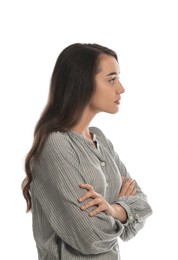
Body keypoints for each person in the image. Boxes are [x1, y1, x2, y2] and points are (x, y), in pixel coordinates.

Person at [22, 43, 152, 260]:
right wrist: (123, 214)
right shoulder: (55, 144)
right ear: (82, 84)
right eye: (111, 79)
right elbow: (89, 236)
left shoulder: (99, 138)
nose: (121, 88)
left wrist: (113, 210)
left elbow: (143, 204)